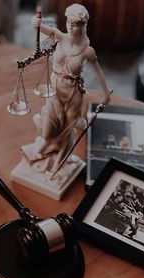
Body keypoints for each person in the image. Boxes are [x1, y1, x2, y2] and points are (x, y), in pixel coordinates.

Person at [30, 3, 112, 173]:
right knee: (46, 132)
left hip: (73, 92)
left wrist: (106, 94)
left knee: (68, 127)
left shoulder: (87, 51)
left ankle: (60, 157)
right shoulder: (60, 37)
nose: (70, 26)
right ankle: (46, 139)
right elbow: (41, 27)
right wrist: (36, 22)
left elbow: (99, 73)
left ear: (83, 26)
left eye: (75, 24)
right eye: (69, 22)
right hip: (54, 89)